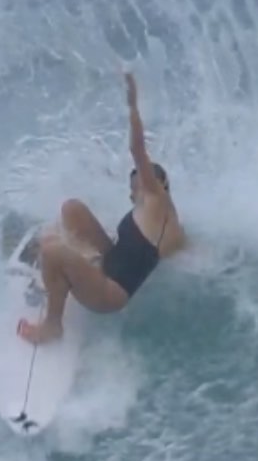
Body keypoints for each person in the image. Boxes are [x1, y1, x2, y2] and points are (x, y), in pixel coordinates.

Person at [17, 72, 187, 345]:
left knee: (51, 251)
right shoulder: (161, 217)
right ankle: (66, 269)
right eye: (132, 190)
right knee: (72, 209)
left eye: (137, 185)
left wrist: (133, 106)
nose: (133, 193)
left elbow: (137, 149)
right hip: (107, 264)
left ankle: (52, 326)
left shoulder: (156, 198)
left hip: (109, 294)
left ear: (159, 183)